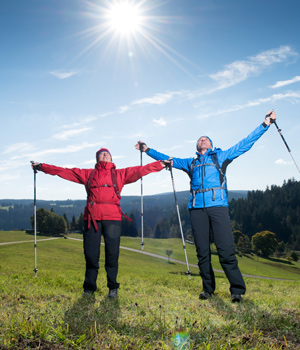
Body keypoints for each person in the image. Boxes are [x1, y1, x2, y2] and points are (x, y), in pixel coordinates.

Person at [135, 110, 277, 302]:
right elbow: (167, 159)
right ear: (197, 146)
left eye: (205, 139)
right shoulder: (190, 162)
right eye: (199, 139)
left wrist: (265, 124)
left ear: (211, 144)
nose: (202, 140)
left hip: (218, 207)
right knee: (202, 252)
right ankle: (207, 289)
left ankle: (236, 290)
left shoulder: (221, 156)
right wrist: (147, 149)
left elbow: (245, 144)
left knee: (226, 249)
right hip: (196, 210)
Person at [32, 148, 170, 298]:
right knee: (91, 256)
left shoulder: (120, 174)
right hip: (92, 219)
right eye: (101, 154)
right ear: (97, 159)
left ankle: (113, 288)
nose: (104, 154)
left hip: (113, 219)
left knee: (112, 255)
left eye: (107, 153)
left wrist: (161, 164)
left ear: (111, 158)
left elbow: (142, 170)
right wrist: (42, 166)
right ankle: (89, 289)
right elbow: (63, 171)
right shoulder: (88, 174)